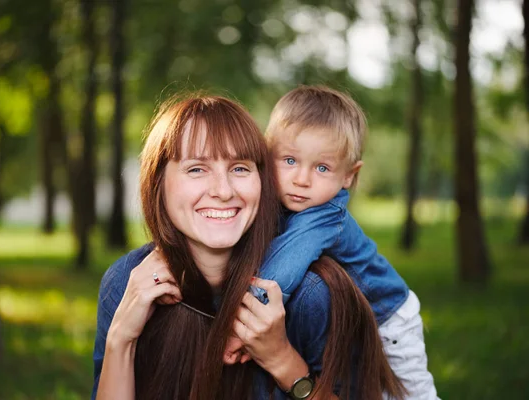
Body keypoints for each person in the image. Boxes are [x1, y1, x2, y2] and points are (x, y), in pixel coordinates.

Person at [91, 93, 404, 399]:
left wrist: (283, 361)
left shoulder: (311, 295)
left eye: (239, 168)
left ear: (262, 178)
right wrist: (121, 339)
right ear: (159, 182)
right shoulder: (127, 283)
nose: (223, 191)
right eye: (197, 169)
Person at [227, 85, 438, 399]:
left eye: (322, 167)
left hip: (391, 318)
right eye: (289, 160)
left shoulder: (326, 213)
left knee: (411, 394)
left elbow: (280, 272)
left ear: (349, 176)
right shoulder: (285, 200)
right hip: (350, 316)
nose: (302, 179)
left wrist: (238, 328)